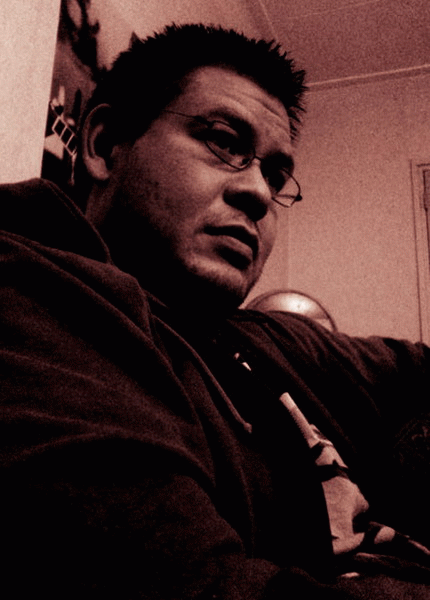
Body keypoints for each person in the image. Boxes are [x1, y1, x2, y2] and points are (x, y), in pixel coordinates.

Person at [1, 23, 430, 599]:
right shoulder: (29, 297)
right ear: (103, 146)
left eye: (275, 174)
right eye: (225, 142)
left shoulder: (269, 339)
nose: (259, 193)